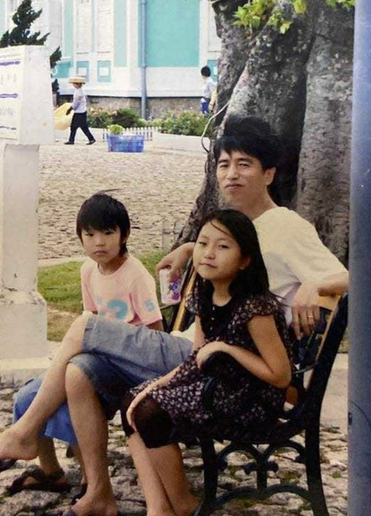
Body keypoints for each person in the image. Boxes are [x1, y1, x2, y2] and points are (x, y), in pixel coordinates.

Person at [0, 115, 347, 516]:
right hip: (194, 352)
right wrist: (191, 248)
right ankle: (98, 496)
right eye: (224, 164)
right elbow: (239, 247)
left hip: (216, 366)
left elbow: (352, 276)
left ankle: (22, 435)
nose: (231, 174)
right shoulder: (241, 226)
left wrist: (315, 286)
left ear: (269, 173)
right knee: (81, 369)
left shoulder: (286, 225)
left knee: (85, 327)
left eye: (244, 164)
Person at [0, 193, 164, 493]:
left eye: (108, 233)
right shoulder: (88, 271)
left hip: (125, 365)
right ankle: (50, 470)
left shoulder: (135, 275)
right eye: (90, 235)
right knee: (29, 396)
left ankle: (92, 482)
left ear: (124, 235)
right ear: (80, 238)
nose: (99, 242)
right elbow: (91, 317)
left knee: (73, 393)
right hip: (93, 358)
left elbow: (154, 332)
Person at [123, 209, 293, 516]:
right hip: (219, 386)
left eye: (223, 246)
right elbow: (197, 356)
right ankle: (158, 506)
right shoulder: (206, 293)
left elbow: (280, 376)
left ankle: (184, 505)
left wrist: (228, 349)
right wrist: (161, 383)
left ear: (245, 260)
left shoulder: (255, 307)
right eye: (202, 244)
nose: (209, 254)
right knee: (133, 403)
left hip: (252, 400)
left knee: (150, 414)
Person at [66, 76, 96, 145]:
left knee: (78, 127)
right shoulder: (80, 91)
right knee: (77, 126)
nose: (74, 85)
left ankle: (90, 139)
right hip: (81, 111)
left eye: (74, 84)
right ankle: (72, 140)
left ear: (78, 84)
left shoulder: (79, 92)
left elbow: (76, 103)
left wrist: (70, 109)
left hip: (79, 112)